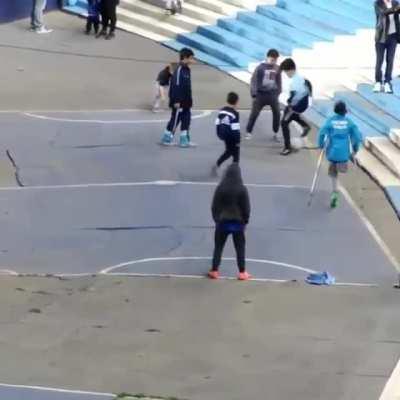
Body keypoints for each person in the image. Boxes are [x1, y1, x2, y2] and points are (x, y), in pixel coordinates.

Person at [209, 163, 251, 281]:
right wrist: (245, 221)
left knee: (218, 246)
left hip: (223, 222)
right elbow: (246, 207)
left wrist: (216, 219)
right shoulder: (242, 189)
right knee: (240, 247)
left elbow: (214, 205)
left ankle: (214, 270)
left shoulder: (221, 188)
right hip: (238, 223)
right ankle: (242, 272)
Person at [317, 101, 362, 208]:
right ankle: (342, 168)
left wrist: (321, 145)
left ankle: (335, 192)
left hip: (332, 154)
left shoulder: (330, 121)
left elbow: (321, 133)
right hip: (344, 155)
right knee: (341, 167)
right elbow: (357, 137)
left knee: (333, 173)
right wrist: (355, 150)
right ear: (345, 111)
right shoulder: (349, 123)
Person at [161, 48, 195, 148]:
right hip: (178, 101)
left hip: (186, 102)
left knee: (186, 119)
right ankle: (167, 138)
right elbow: (176, 85)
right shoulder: (179, 70)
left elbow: (187, 87)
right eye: (192, 58)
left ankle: (184, 140)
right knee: (175, 119)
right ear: (185, 57)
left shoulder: (187, 70)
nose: (193, 60)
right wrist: (176, 100)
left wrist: (189, 101)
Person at [245, 49, 282, 141]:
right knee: (254, 114)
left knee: (277, 113)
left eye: (275, 60)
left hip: (272, 94)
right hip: (260, 95)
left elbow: (279, 81)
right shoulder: (260, 68)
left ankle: (275, 133)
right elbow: (253, 81)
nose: (273, 61)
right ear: (267, 57)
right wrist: (254, 94)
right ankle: (248, 132)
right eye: (272, 59)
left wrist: (278, 92)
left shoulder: (277, 68)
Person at [279, 58, 312, 156]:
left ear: (290, 70)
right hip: (302, 104)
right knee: (290, 115)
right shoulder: (301, 78)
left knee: (284, 122)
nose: (286, 74)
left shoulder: (295, 82)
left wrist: (290, 102)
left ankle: (287, 147)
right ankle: (305, 126)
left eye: (286, 72)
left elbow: (295, 98)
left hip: (296, 106)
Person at [212, 92, 241, 176]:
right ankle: (234, 172)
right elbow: (235, 129)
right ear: (236, 102)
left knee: (229, 151)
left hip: (223, 134)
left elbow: (217, 122)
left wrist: (219, 133)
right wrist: (238, 140)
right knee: (235, 153)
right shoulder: (235, 113)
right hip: (232, 136)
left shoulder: (222, 111)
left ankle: (217, 165)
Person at [374, 0, 400, 93]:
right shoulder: (378, 3)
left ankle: (387, 82)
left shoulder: (396, 3)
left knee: (390, 60)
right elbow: (384, 13)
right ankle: (378, 81)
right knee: (379, 60)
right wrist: (395, 9)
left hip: (393, 37)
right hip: (381, 37)